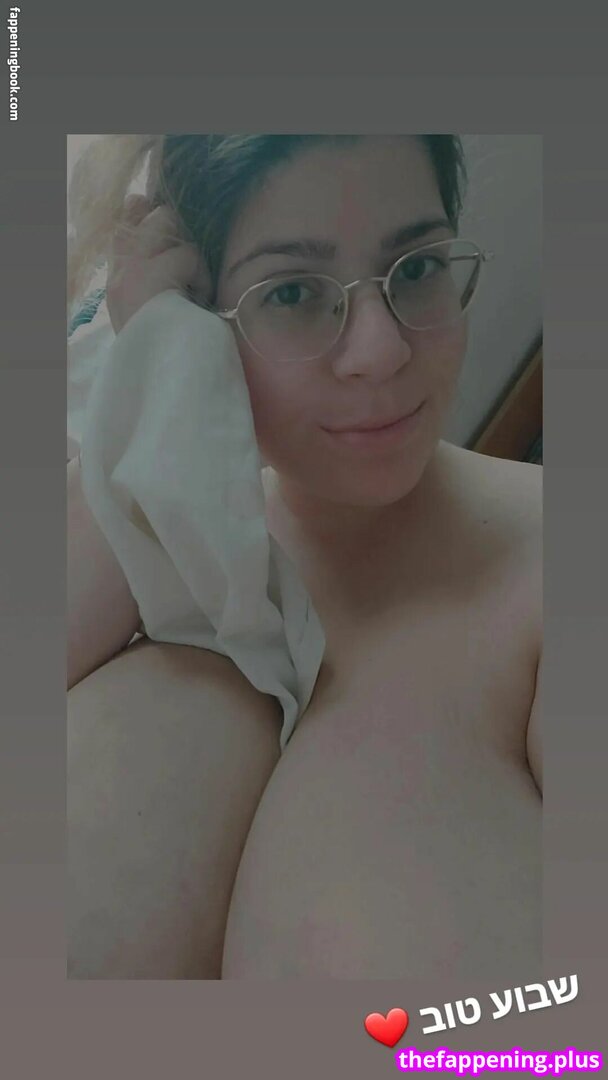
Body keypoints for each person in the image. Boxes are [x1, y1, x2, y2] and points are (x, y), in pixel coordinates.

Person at [67, 134, 542, 980]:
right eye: (292, 291)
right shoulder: (170, 554)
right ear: (203, 314)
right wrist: (157, 358)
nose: (381, 351)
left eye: (418, 269)